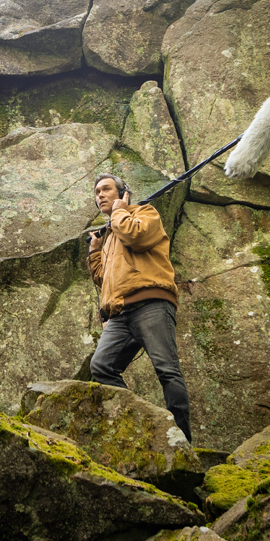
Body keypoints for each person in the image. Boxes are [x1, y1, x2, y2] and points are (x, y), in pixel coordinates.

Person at [85, 172, 192, 441]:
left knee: (167, 370)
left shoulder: (145, 213)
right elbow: (106, 278)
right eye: (97, 192)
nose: (100, 195)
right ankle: (144, 429)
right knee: (101, 367)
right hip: (120, 314)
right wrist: (95, 250)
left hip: (151, 303)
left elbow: (137, 236)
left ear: (122, 193)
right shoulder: (110, 236)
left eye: (106, 189)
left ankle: (182, 440)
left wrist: (120, 212)